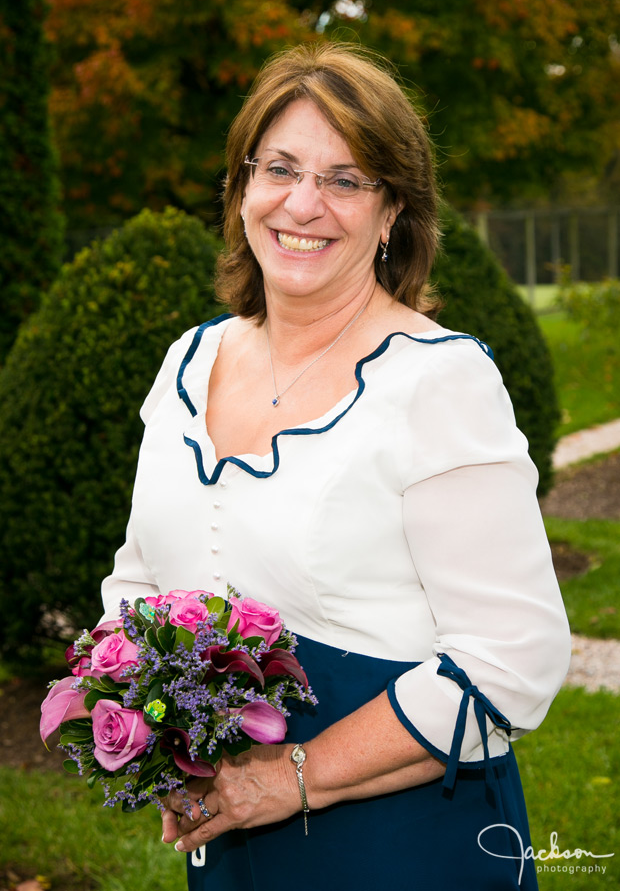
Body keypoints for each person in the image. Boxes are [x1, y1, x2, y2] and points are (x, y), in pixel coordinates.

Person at [100, 43, 571, 890]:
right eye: (278, 168)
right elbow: (137, 582)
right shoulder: (188, 361)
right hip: (228, 838)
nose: (303, 203)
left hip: (403, 845)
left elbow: (513, 659)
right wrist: (147, 732)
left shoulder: (436, 382)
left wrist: (284, 780)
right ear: (244, 187)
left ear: (393, 211)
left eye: (346, 180)